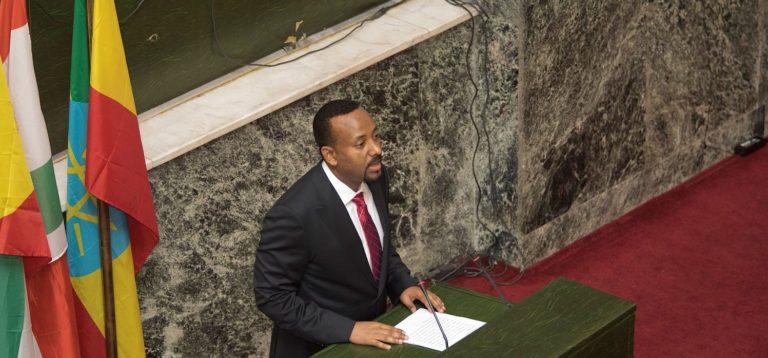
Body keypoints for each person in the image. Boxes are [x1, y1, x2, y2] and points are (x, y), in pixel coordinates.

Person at [253, 99, 446, 357]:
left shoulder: (376, 176)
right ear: (330, 155)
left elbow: (380, 249)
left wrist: (402, 284)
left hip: (374, 340)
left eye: (376, 136)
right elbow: (272, 297)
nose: (377, 149)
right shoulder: (293, 215)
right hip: (320, 348)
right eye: (361, 144)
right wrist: (349, 330)